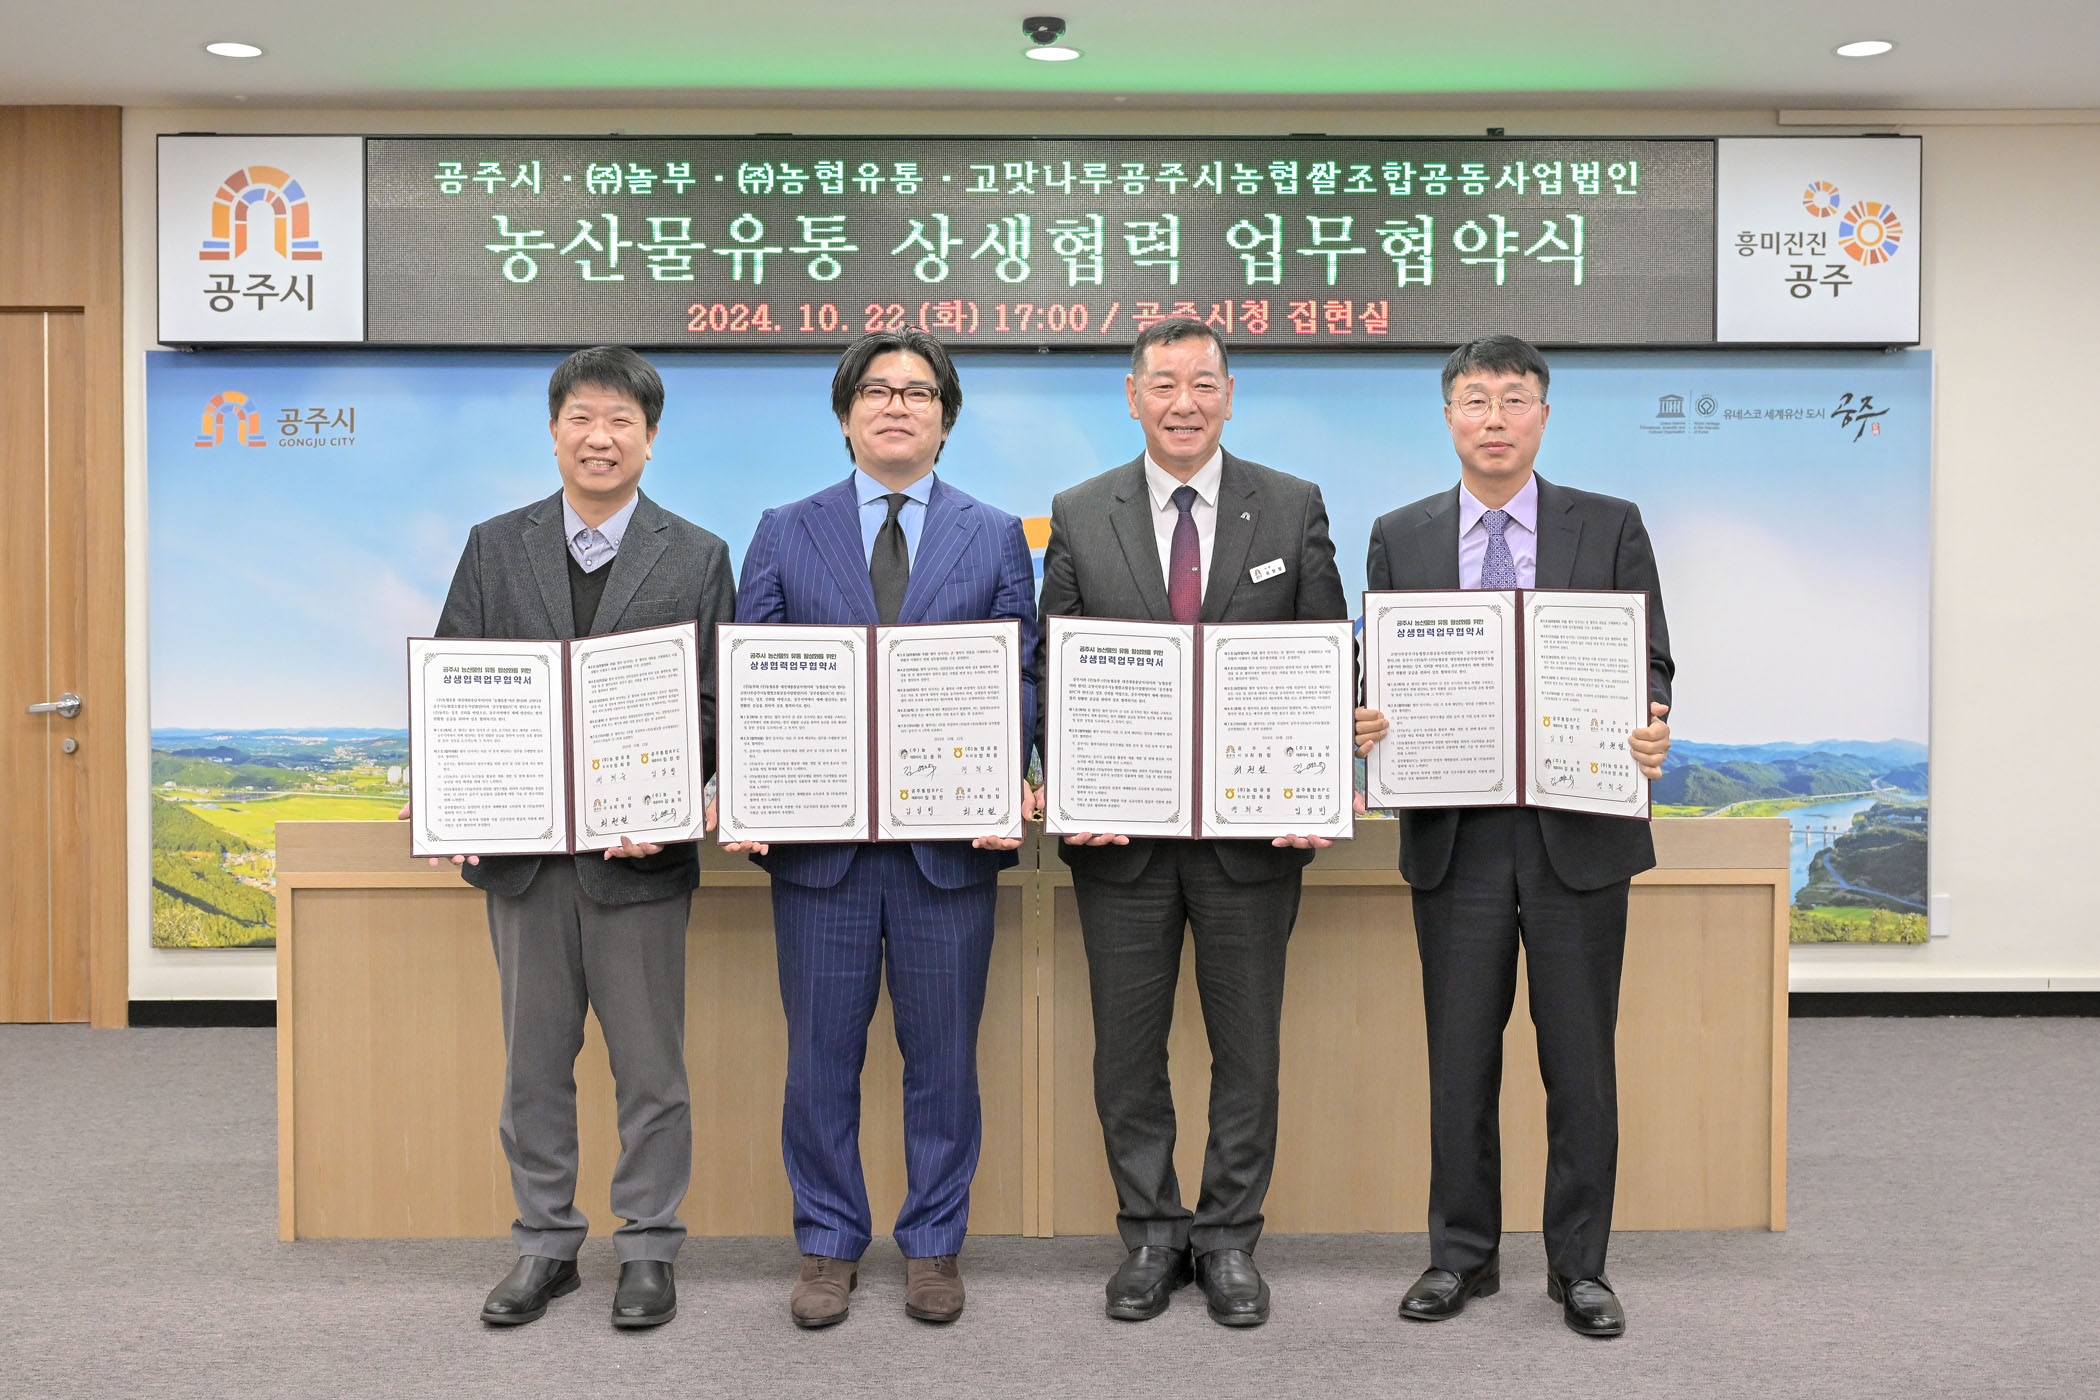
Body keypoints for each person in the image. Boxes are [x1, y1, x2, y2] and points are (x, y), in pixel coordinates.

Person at [1353, 334, 1674, 1339]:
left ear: (1544, 413)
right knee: (1460, 1059)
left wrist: (1648, 718)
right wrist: (1366, 713)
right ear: (1449, 415)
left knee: (1580, 1064)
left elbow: (1650, 658)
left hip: (1580, 833)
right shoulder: (1400, 533)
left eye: (1514, 399)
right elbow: (1375, 663)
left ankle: (1581, 1268)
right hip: (1457, 836)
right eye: (1475, 399)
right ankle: (1460, 1255)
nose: (1494, 418)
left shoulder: (1609, 523)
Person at [410, 345, 735, 1330]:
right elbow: (455, 681)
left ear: (651, 438)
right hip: (527, 862)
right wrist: (446, 789)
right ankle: (545, 1242)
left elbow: (715, 702)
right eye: (582, 418)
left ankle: (648, 1247)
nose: (601, 437)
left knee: (651, 1072)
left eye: (621, 420)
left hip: (642, 861)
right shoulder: (494, 545)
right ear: (553, 432)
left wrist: (668, 796)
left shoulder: (698, 554)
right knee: (533, 1067)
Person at [1035, 318, 1347, 1328]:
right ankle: (1151, 1233)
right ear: (1133, 397)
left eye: (1203, 382)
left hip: (1253, 842)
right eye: (1164, 383)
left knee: (1246, 1051)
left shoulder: (1290, 505)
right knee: (1127, 1055)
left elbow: (1327, 653)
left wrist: (1313, 786)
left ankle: (1228, 1239)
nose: (1184, 401)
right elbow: (1052, 668)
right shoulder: (1081, 512)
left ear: (1229, 395)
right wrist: (1067, 784)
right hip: (1118, 844)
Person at [727, 328, 1039, 1329]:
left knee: (943, 1062)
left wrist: (1011, 776)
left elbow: (1022, 676)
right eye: (875, 390)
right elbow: (750, 674)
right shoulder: (786, 529)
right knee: (820, 1061)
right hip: (820, 857)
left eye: (917, 392)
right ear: (845, 415)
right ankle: (827, 1243)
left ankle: (934, 1243)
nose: (896, 405)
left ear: (945, 418)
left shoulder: (996, 535)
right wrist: (748, 787)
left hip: (950, 855)